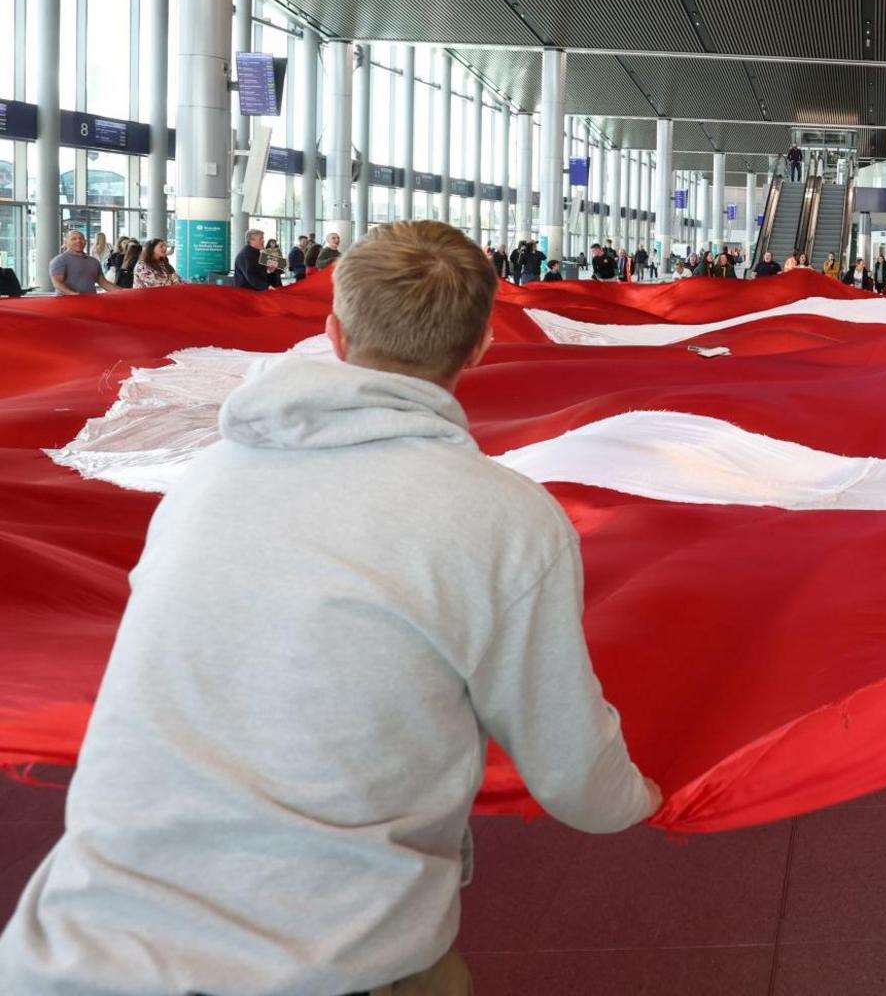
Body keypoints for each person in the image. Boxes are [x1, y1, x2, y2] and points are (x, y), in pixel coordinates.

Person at [0, 220, 662, 995]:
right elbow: (570, 768)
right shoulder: (504, 519)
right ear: (482, 345)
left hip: (77, 942)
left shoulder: (204, 483)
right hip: (319, 957)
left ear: (334, 333)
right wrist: (649, 795)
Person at [48, 229, 119, 295]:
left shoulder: (94, 261)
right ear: (66, 243)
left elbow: (103, 282)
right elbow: (57, 283)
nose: (78, 241)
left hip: (90, 303)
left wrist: (124, 292)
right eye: (74, 239)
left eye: (81, 238)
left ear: (85, 241)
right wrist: (74, 295)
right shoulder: (59, 260)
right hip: (67, 304)